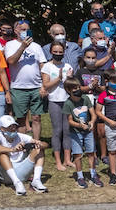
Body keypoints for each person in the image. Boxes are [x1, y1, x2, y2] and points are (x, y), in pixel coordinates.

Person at [4, 19, 47, 140]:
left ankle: (36, 142)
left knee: (36, 117)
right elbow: (11, 61)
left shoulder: (37, 47)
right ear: (15, 31)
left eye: (27, 30)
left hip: (36, 87)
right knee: (21, 118)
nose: (25, 32)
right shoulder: (10, 45)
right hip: (18, 88)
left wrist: (44, 85)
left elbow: (42, 66)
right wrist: (22, 47)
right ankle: (23, 143)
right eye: (23, 30)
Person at [41, 41, 73, 171]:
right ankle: (58, 161)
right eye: (56, 52)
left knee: (67, 130)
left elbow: (72, 85)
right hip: (54, 100)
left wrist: (69, 79)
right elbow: (46, 85)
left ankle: (67, 159)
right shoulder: (47, 67)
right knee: (57, 130)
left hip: (67, 100)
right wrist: (59, 78)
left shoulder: (68, 66)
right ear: (51, 52)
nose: (58, 54)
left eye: (60, 52)